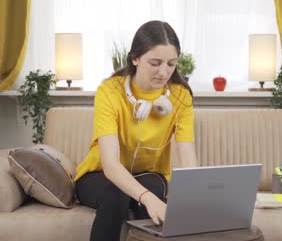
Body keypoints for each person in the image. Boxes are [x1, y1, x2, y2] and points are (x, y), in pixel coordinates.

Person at [74, 20, 198, 241]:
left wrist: (196, 196)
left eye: (171, 64)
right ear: (135, 58)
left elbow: (189, 160)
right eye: (155, 63)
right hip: (99, 175)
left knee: (152, 186)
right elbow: (111, 167)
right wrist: (148, 199)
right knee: (117, 192)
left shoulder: (181, 96)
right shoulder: (109, 91)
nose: (164, 72)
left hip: (149, 176)